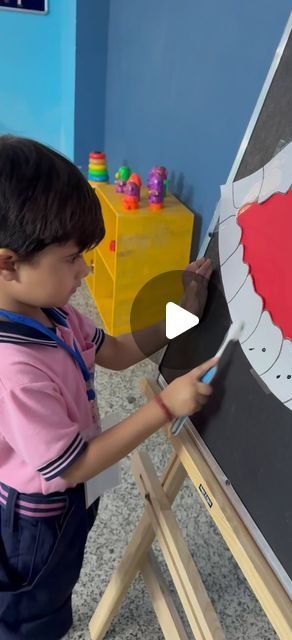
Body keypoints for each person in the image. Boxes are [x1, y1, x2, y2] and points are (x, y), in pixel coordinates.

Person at [0, 135, 216, 640]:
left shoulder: (50, 310)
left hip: (72, 491)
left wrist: (181, 319)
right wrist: (164, 406)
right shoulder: (14, 368)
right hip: (38, 519)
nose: (85, 269)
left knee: (59, 583)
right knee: (33, 616)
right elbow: (71, 465)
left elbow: (113, 352)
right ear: (8, 263)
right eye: (72, 258)